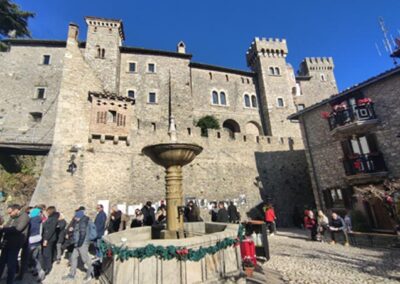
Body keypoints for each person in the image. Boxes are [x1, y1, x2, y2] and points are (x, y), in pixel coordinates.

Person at [0, 204, 30, 284]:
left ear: (16, 210)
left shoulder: (24, 217)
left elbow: (18, 229)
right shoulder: (12, 217)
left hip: (15, 243)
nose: (10, 215)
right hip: (7, 242)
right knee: (1, 262)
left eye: (10, 213)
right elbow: (7, 225)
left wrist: (3, 229)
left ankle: (9, 281)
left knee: (11, 264)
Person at [63, 208, 93, 282]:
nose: (74, 218)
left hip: (82, 244)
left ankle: (91, 272)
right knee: (73, 257)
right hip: (78, 243)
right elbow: (78, 232)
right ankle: (71, 274)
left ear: (78, 216)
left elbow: (82, 234)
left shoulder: (82, 222)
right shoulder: (80, 221)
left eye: (75, 217)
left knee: (85, 259)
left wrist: (79, 244)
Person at [28, 207, 45, 281]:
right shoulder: (40, 219)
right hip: (38, 239)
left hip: (31, 240)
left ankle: (40, 272)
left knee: (33, 258)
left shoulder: (32, 220)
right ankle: (37, 270)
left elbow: (29, 230)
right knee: (37, 257)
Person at [42, 206, 59, 275]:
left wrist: (46, 239)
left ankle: (48, 268)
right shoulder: (51, 218)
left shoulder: (53, 219)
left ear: (50, 211)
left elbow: (51, 230)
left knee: (47, 253)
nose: (46, 212)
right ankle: (46, 266)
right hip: (48, 238)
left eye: (47, 211)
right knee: (47, 253)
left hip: (49, 239)